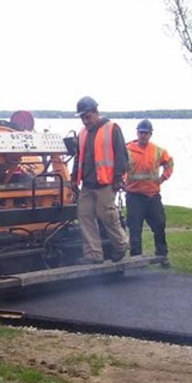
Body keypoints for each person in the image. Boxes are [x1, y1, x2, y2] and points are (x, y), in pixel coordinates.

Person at [71, 96, 129, 264]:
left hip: (105, 183)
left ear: (96, 113)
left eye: (87, 117)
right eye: (82, 118)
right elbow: (78, 157)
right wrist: (74, 178)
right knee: (84, 216)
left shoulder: (112, 128)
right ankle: (94, 254)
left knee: (108, 216)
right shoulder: (82, 133)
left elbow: (121, 155)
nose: (85, 121)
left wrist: (118, 179)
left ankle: (120, 246)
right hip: (87, 184)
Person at [125, 119, 173, 265]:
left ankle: (162, 255)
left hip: (152, 196)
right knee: (134, 228)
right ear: (137, 133)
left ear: (150, 134)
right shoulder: (127, 149)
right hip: (134, 196)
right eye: (141, 132)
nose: (143, 135)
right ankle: (136, 258)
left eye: (146, 133)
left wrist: (163, 178)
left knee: (159, 225)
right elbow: (119, 166)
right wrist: (121, 180)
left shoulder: (158, 151)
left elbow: (169, 163)